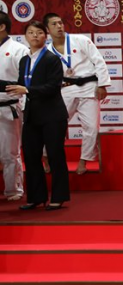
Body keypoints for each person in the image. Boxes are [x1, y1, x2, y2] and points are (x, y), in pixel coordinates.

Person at [6, 20, 69, 210]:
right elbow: (20, 84)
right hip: (32, 115)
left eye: (39, 32)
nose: (35, 36)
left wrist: (26, 90)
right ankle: (36, 197)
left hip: (53, 115)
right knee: (31, 156)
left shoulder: (52, 59)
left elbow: (52, 87)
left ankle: (58, 197)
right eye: (31, 32)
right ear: (25, 36)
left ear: (45, 36)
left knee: (55, 155)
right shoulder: (24, 60)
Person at [44, 13, 111, 175]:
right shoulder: (47, 51)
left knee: (91, 127)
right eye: (54, 24)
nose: (59, 26)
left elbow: (99, 61)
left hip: (89, 87)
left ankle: (84, 160)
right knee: (54, 125)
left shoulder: (81, 40)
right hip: (65, 89)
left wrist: (102, 84)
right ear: (47, 29)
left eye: (60, 23)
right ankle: (46, 157)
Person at [0, 12, 26, 201]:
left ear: (2, 27)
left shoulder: (19, 50)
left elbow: (25, 82)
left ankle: (14, 189)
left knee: (10, 152)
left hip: (8, 106)